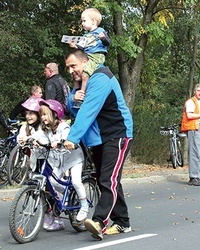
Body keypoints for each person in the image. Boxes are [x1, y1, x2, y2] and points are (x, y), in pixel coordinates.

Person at [63, 49, 133, 241]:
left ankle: (99, 221)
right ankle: (123, 222)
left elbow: (88, 110)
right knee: (109, 179)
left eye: (73, 66)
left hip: (118, 133)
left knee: (107, 179)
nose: (70, 71)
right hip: (100, 137)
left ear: (85, 61)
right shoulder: (83, 84)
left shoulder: (101, 77)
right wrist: (72, 96)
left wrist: (73, 137)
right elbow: (73, 107)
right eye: (68, 68)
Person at [35, 99, 88, 231]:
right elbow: (38, 135)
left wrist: (60, 141)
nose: (43, 117)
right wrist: (30, 139)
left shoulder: (63, 126)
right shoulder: (46, 129)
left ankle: (84, 204)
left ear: (55, 114)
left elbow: (65, 136)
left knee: (76, 181)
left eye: (45, 114)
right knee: (52, 181)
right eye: (41, 115)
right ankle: (69, 195)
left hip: (73, 158)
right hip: (60, 161)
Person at [69, 7, 110, 108]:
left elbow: (107, 42)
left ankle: (82, 96)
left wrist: (103, 38)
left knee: (84, 74)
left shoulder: (100, 31)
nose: (82, 23)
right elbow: (81, 48)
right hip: (87, 56)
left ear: (93, 21)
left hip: (96, 56)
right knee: (75, 73)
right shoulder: (85, 36)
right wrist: (75, 46)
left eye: (84, 21)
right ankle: (77, 90)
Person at [180, 84, 200, 186]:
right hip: (193, 128)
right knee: (195, 152)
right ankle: (193, 177)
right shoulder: (190, 102)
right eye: (198, 90)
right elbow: (189, 115)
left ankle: (197, 175)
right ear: (194, 91)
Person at [15, 97, 45, 172]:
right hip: (35, 158)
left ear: (38, 114)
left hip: (48, 158)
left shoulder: (44, 126)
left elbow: (41, 134)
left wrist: (28, 138)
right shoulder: (25, 127)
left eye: (31, 113)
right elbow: (21, 135)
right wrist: (21, 139)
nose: (28, 116)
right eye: (26, 113)